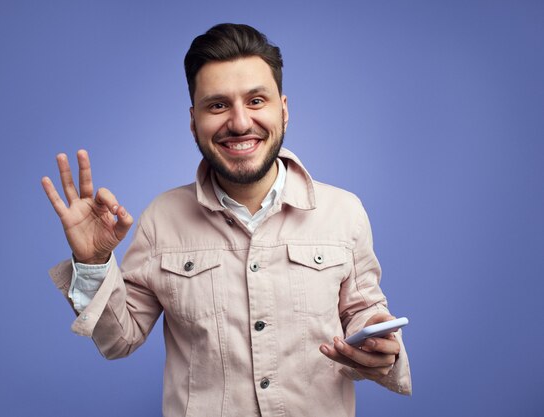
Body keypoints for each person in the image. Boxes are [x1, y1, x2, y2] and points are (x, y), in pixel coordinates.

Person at [42, 23, 411, 417]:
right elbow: (118, 340)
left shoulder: (344, 212)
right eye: (218, 105)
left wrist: (382, 349)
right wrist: (94, 263)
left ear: (283, 110)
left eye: (256, 101)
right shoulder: (160, 220)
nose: (238, 123)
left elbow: (365, 313)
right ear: (193, 120)